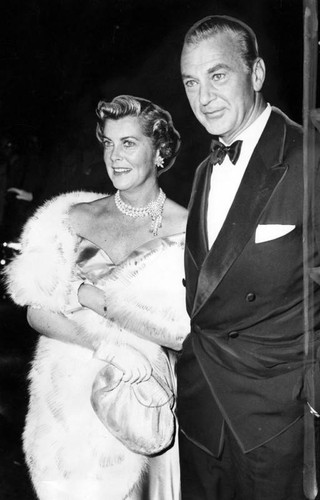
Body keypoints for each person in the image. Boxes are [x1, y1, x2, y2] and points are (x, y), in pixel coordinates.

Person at [177, 15, 320, 500]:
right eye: (191, 81)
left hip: (278, 428)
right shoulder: (203, 172)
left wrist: (318, 398)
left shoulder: (318, 161)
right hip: (202, 415)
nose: (203, 96)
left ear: (256, 74)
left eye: (218, 75)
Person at [4, 95, 189, 500]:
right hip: (65, 415)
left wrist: (88, 296)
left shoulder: (189, 230)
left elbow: (185, 333)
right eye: (108, 142)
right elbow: (36, 310)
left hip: (137, 406)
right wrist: (106, 345)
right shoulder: (72, 214)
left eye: (129, 143)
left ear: (159, 152)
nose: (115, 156)